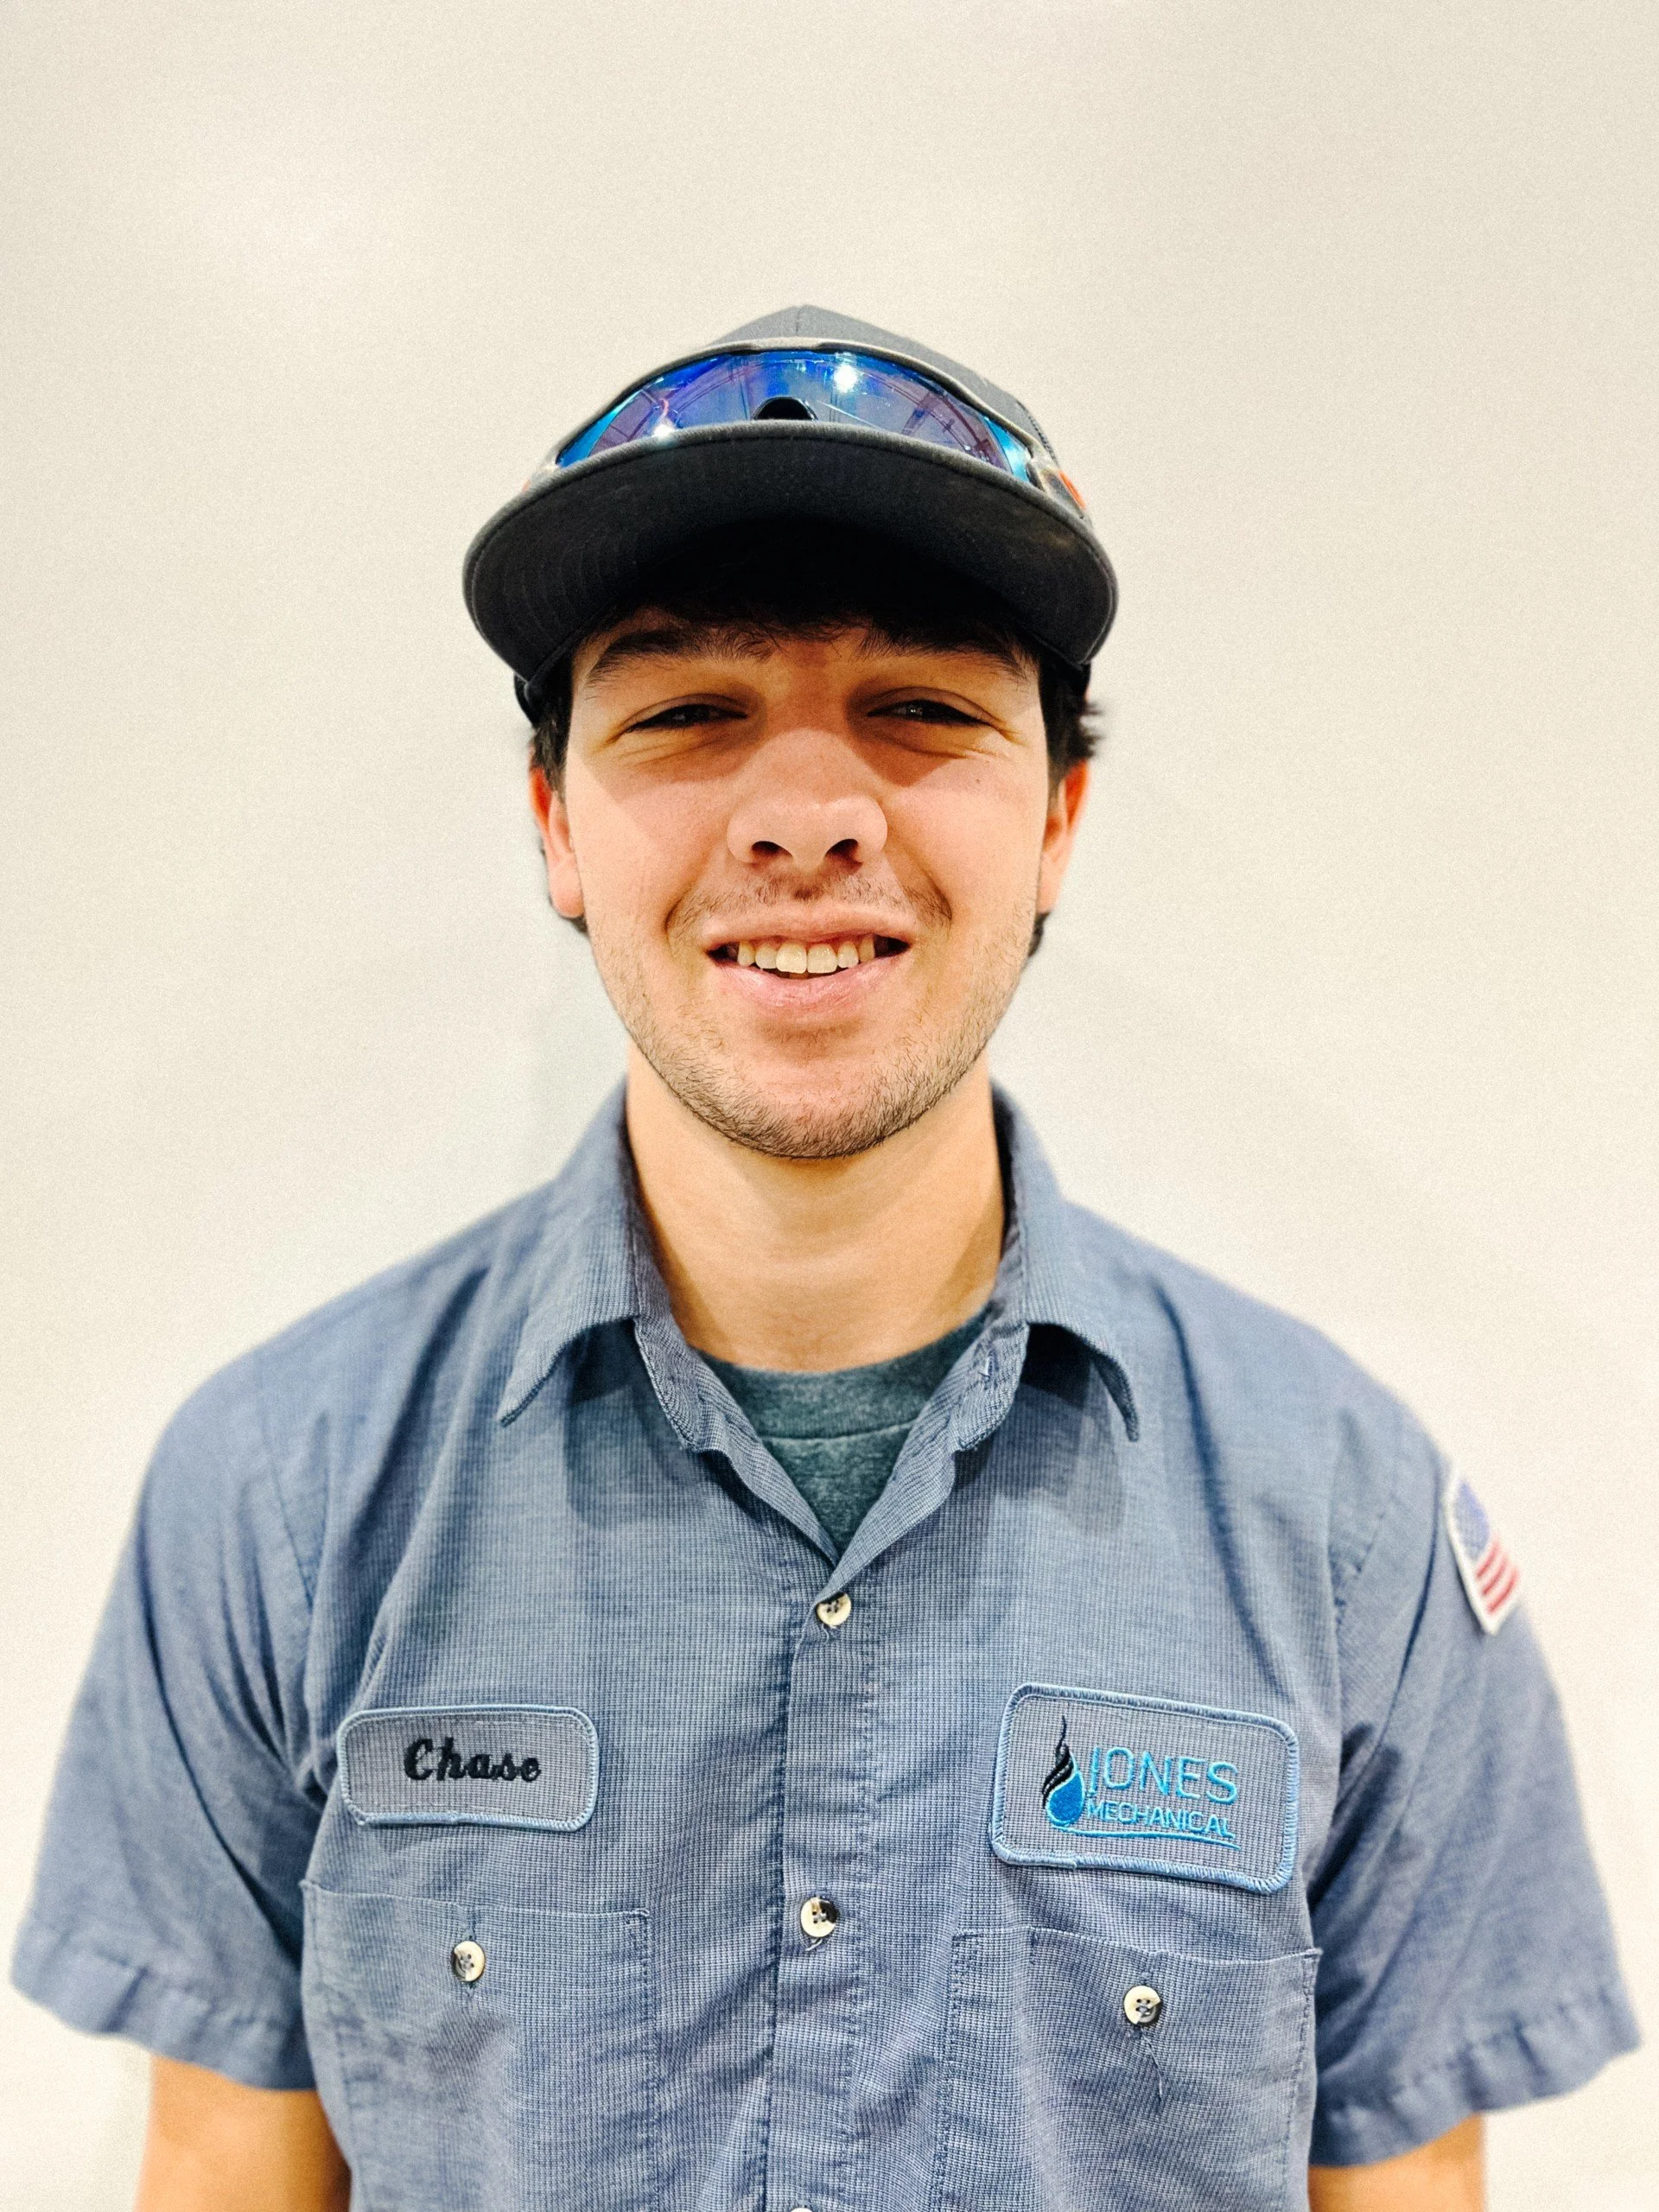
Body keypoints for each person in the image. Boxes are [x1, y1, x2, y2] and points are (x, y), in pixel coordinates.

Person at [13, 307, 1636, 2211]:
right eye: (689, 713)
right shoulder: (280, 1496)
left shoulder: (1349, 1522)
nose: (803, 813)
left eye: (925, 710)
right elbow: (220, 2172)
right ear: (555, 821)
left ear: (1059, 819)